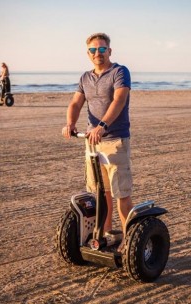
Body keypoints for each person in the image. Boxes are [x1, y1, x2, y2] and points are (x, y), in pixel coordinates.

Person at [62, 32, 133, 251]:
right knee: (102, 193)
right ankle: (105, 233)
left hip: (115, 140)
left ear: (109, 51)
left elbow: (119, 100)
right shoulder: (85, 77)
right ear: (88, 53)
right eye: (93, 50)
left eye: (102, 49)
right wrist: (70, 123)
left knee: (121, 192)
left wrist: (102, 126)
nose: (97, 53)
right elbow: (75, 103)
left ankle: (128, 239)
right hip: (92, 142)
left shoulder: (119, 72)